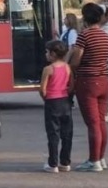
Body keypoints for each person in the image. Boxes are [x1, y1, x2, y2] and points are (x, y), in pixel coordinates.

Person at [68, 3, 108, 172]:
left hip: (88, 82)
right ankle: (100, 158)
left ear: (85, 17)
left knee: (92, 123)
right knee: (101, 122)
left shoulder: (84, 36)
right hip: (103, 80)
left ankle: (93, 160)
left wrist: (71, 66)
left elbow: (76, 59)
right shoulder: (104, 35)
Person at [39, 40, 73, 173]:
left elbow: (43, 89)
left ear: (53, 54)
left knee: (53, 134)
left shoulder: (48, 69)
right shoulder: (67, 67)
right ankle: (65, 162)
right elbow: (71, 86)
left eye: (47, 52)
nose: (46, 54)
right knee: (67, 133)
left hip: (52, 103)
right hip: (65, 101)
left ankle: (53, 163)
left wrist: (46, 98)